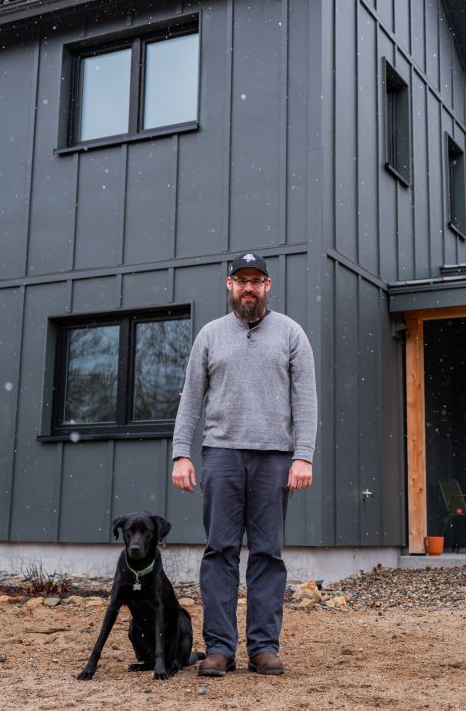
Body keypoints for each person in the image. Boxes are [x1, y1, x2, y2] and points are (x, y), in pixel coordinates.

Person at [170, 252, 317, 677]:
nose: (248, 287)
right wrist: (182, 452)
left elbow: (305, 402)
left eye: (256, 280)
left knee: (268, 554)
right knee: (220, 552)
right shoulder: (210, 336)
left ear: (267, 285)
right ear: (229, 285)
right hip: (222, 456)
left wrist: (302, 455)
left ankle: (263, 647)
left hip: (275, 458)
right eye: (241, 280)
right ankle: (219, 648)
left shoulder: (291, 334)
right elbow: (190, 399)